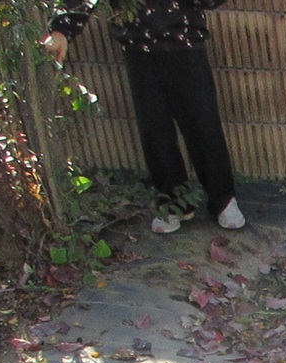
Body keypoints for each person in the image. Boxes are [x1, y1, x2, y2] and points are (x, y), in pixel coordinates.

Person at [43, 0, 245, 234]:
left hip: (186, 43)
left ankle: (223, 198)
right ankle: (172, 201)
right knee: (154, 130)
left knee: (203, 124)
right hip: (138, 48)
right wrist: (62, 30)